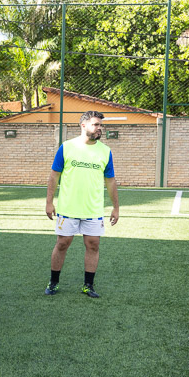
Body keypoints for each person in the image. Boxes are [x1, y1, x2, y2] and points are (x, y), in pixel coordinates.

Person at [44, 110, 120, 298]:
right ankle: (53, 282)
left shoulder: (105, 151)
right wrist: (49, 202)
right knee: (62, 243)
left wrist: (116, 207)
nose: (99, 128)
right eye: (96, 124)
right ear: (83, 125)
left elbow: (110, 180)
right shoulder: (67, 147)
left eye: (101, 125)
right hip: (68, 208)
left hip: (93, 209)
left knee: (93, 244)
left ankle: (88, 285)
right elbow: (54, 175)